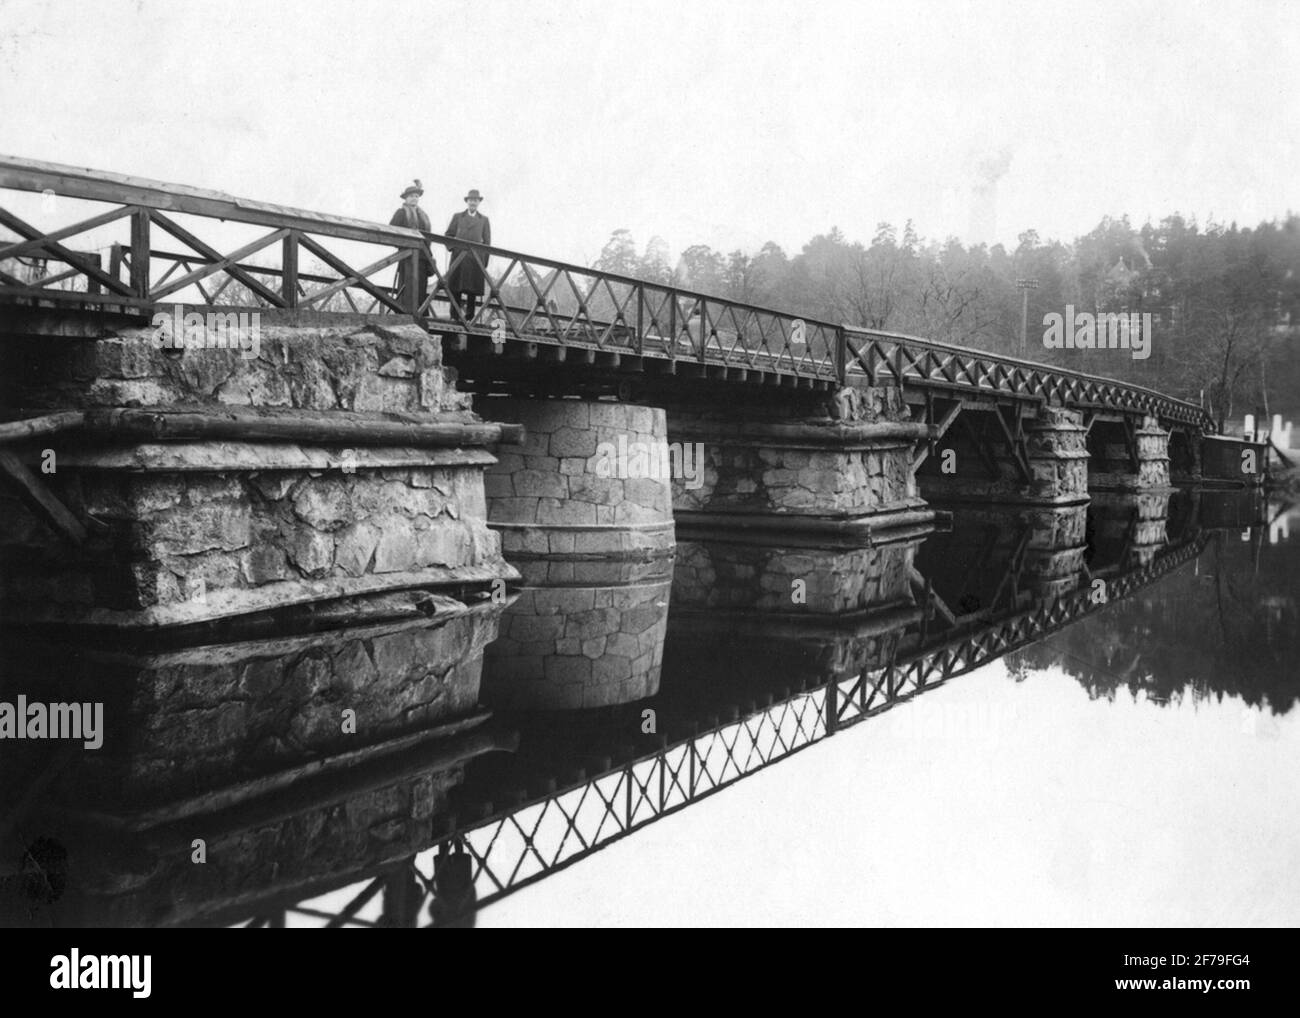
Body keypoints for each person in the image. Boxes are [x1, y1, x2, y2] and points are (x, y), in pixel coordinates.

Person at [445, 189, 491, 321]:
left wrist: (484, 261)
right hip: (459, 257)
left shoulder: (484, 220)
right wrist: (453, 248)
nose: (473, 203)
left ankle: (469, 316)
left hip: (475, 259)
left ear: (479, 202)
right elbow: (448, 235)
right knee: (456, 287)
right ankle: (454, 315)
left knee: (473, 289)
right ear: (467, 201)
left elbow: (487, 242)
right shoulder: (458, 216)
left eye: (475, 200)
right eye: (471, 200)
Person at [389, 180, 433, 313]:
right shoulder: (401, 212)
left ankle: (420, 312)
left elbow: (428, 237)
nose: (414, 198)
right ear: (406, 198)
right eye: (411, 196)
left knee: (421, 285)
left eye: (416, 196)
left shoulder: (423, 215)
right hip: (407, 255)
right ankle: (404, 311)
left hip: (423, 256)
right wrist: (403, 245)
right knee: (407, 284)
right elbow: (391, 232)